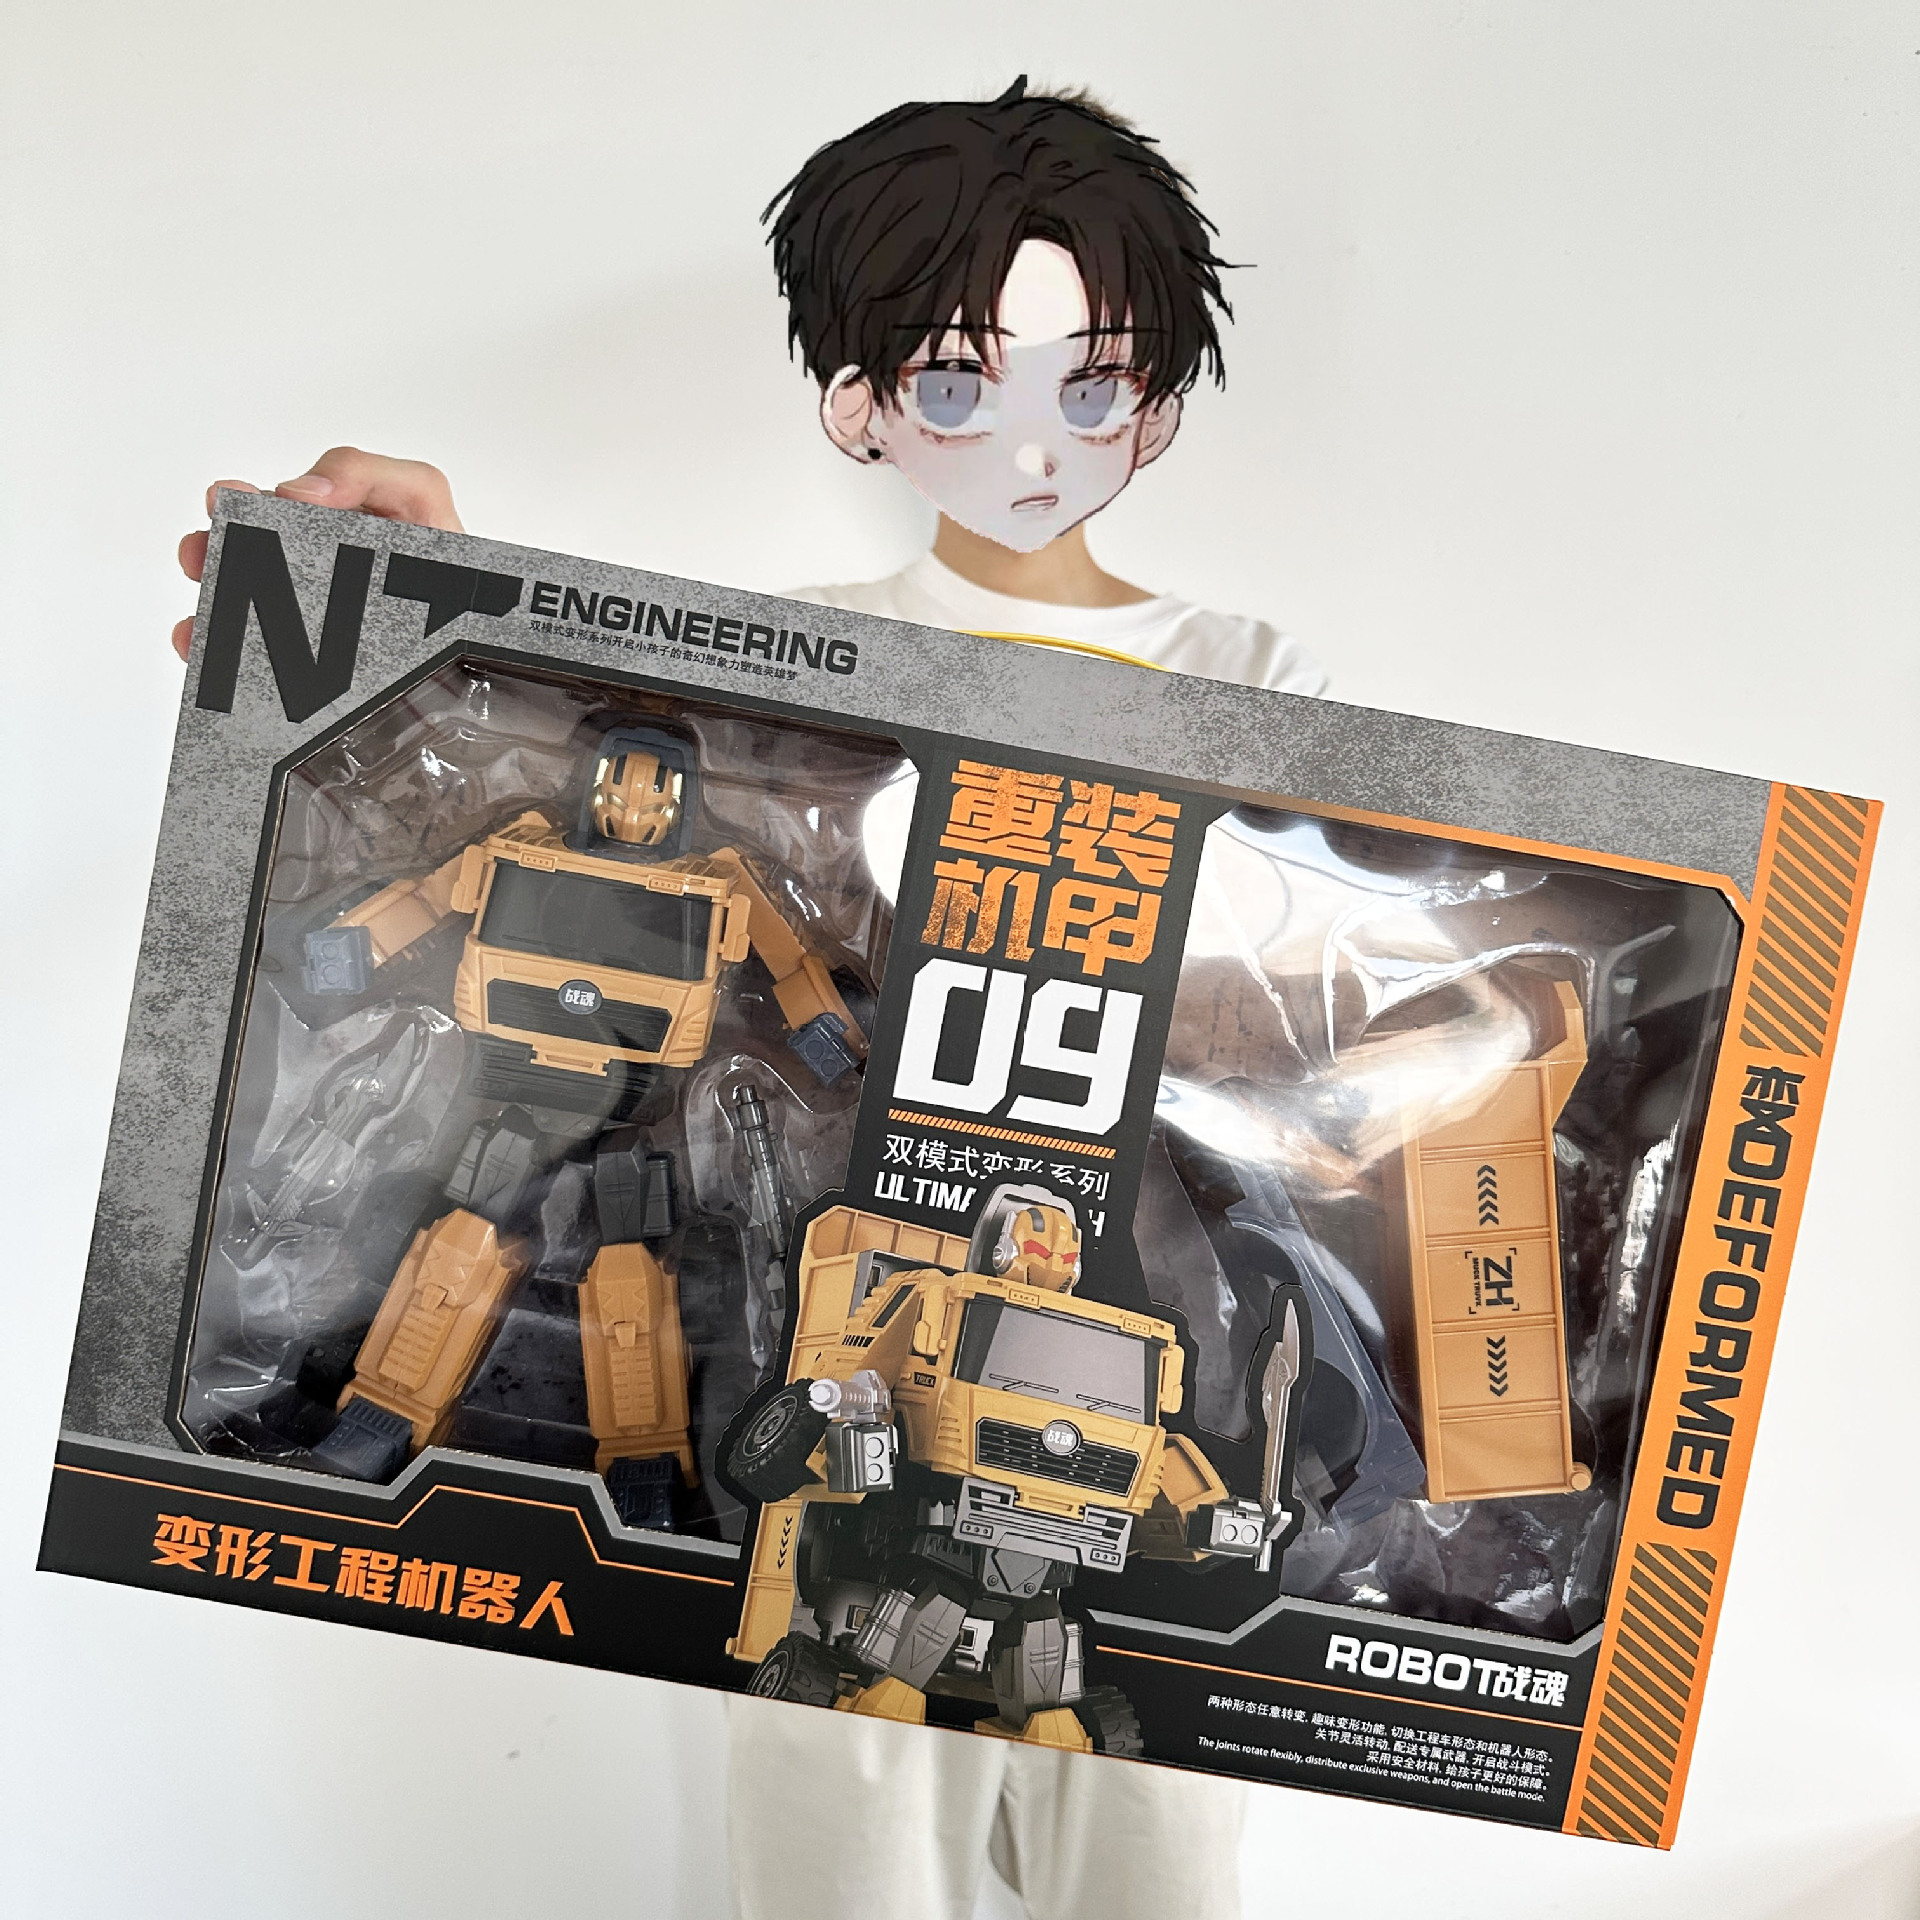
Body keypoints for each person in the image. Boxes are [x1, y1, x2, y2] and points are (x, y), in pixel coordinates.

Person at [173, 77, 1323, 1920]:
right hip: (846, 1323)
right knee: (839, 1838)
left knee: (1154, 1864)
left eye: (1094, 379)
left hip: (1122, 1306)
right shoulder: (790, 663)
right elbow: (562, 744)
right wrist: (413, 606)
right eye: (960, 381)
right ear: (860, 402)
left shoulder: (1259, 683)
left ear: (1160, 397)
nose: (1034, 439)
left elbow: (1307, 1017)